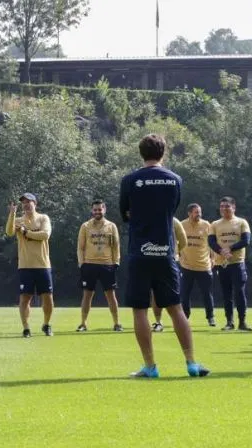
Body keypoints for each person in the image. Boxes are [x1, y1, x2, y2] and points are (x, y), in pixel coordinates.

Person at [119, 134, 210, 378]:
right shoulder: (175, 180)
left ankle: (150, 366)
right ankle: (191, 363)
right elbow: (171, 210)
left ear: (141, 153)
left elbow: (124, 213)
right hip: (166, 252)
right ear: (163, 153)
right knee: (175, 308)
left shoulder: (130, 180)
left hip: (139, 251)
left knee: (140, 310)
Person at [5, 193, 54, 338]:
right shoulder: (19, 220)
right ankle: (26, 328)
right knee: (25, 298)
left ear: (35, 203)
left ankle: (46, 324)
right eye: (23, 203)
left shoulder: (43, 218)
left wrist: (26, 232)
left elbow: (45, 235)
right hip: (25, 266)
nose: (26, 205)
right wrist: (12, 214)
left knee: (48, 297)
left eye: (29, 202)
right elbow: (8, 232)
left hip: (43, 265)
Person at [76, 199, 122, 332]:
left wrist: (116, 262)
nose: (97, 212)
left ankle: (117, 323)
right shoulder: (85, 226)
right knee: (87, 295)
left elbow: (116, 246)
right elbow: (80, 247)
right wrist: (81, 263)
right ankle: (83, 324)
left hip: (107, 265)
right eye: (95, 209)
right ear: (92, 211)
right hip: (89, 264)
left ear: (104, 210)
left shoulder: (111, 226)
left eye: (100, 209)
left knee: (111, 295)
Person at [209, 197, 252, 331]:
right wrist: (221, 251)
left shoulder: (241, 222)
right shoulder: (215, 224)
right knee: (226, 294)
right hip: (222, 264)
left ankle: (242, 322)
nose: (224, 209)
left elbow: (246, 240)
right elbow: (211, 242)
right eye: (222, 206)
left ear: (234, 207)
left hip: (237, 263)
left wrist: (230, 249)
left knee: (239, 292)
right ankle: (229, 322)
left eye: (227, 206)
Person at [179, 203, 216, 327]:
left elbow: (211, 244)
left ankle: (210, 317)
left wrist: (213, 259)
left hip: (204, 266)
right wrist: (177, 255)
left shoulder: (207, 225)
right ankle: (185, 318)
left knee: (207, 293)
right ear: (189, 213)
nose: (198, 214)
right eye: (196, 212)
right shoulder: (181, 225)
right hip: (186, 266)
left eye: (199, 212)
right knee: (185, 294)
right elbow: (176, 241)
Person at [151, 217, 187, 331]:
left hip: (170, 261)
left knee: (173, 294)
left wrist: (174, 253)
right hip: (153, 260)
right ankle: (158, 322)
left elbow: (183, 241)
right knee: (155, 294)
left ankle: (177, 323)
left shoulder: (174, 221)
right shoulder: (148, 219)